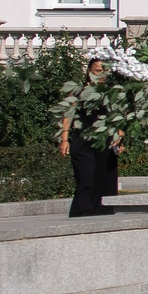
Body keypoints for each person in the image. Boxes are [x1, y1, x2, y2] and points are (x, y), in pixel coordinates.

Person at [62, 59, 119, 217]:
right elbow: (68, 114)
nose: (101, 75)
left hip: (105, 141)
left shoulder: (111, 92)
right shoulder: (78, 92)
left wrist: (120, 136)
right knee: (86, 178)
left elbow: (118, 115)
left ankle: (101, 214)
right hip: (82, 141)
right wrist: (64, 139)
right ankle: (81, 213)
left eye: (105, 71)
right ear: (89, 72)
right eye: (97, 71)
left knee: (104, 179)